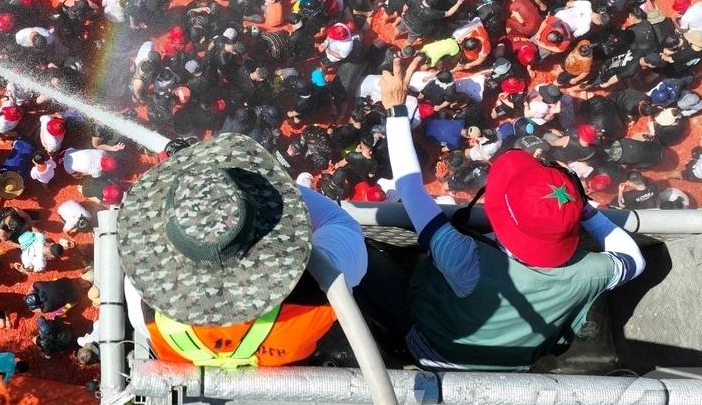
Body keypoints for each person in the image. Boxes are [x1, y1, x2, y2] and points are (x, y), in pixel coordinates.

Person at [371, 58, 646, 370]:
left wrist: (395, 109)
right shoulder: (589, 272)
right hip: (510, 370)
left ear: (499, 208)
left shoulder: (465, 258)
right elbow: (634, 261)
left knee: (366, 256)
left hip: (431, 349)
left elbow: (410, 189)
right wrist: (582, 211)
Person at [118, 134, 367, 368]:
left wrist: (185, 193)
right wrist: (266, 188)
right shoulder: (322, 281)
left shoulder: (145, 306)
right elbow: (341, 223)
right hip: (293, 369)